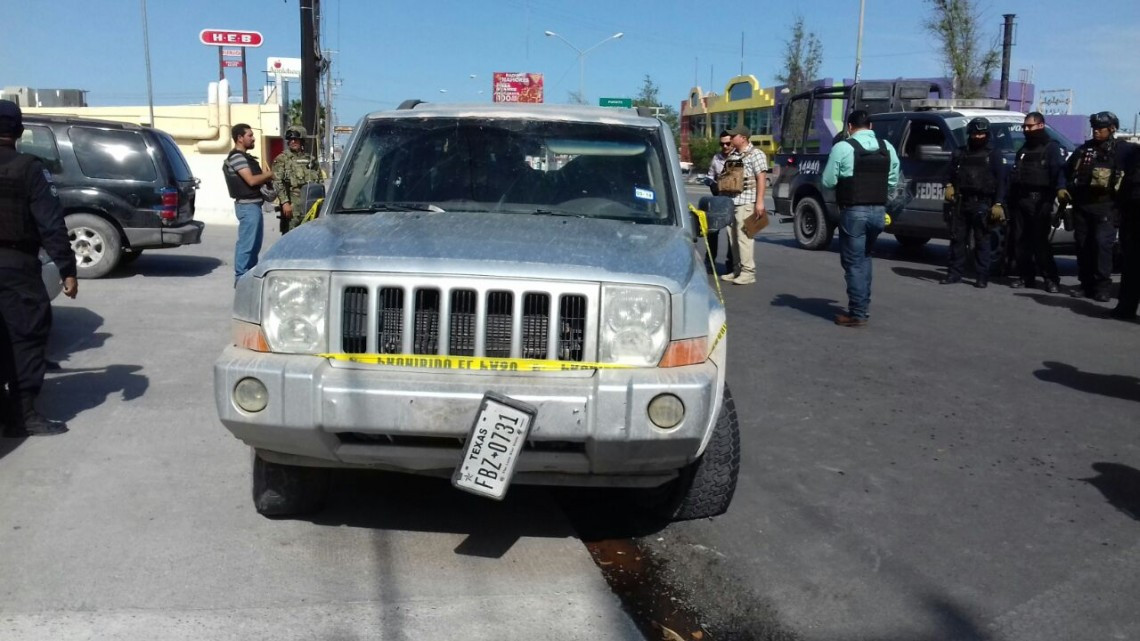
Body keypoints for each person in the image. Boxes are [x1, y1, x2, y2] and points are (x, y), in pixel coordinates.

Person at [0, 99, 78, 437]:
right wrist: (67, 268)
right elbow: (51, 223)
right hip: (15, 267)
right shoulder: (29, 169)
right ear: (18, 131)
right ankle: (22, 416)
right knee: (26, 337)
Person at [821, 110, 899, 327]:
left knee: (854, 263)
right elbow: (893, 180)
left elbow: (828, 181)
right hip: (878, 212)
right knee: (864, 258)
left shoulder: (843, 147)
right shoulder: (887, 147)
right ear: (871, 127)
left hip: (854, 211)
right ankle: (862, 305)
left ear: (849, 127)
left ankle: (858, 313)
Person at [1064, 111, 1129, 302]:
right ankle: (1086, 285)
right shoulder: (1084, 150)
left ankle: (1103, 288)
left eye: (1100, 128)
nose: (1096, 132)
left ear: (1112, 129)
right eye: (1094, 128)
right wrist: (1063, 189)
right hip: (1083, 205)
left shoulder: (1121, 150)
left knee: (1102, 246)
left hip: (1107, 206)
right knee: (1083, 246)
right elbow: (1066, 171)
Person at [942, 117, 1007, 288]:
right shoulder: (960, 153)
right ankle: (954, 273)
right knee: (957, 239)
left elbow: (1001, 180)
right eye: (975, 133)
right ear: (969, 134)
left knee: (982, 241)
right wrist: (948, 186)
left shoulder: (993, 154)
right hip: (961, 202)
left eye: (982, 134)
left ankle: (982, 276)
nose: (978, 137)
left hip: (982, 203)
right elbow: (948, 174)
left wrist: (998, 203)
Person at [1008, 111, 1066, 292]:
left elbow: (1059, 173)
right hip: (1021, 200)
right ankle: (1026, 276)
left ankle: (1051, 279)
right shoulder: (1023, 150)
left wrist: (1059, 192)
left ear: (1040, 126)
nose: (1026, 129)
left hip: (1041, 201)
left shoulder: (1051, 148)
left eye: (1029, 126)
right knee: (1020, 241)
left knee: (1040, 242)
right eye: (1024, 126)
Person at [223, 123, 274, 284]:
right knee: (247, 245)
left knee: (254, 246)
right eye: (249, 136)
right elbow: (251, 180)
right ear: (239, 138)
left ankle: (248, 279)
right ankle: (241, 280)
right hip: (247, 207)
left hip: (254, 206)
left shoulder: (245, 157)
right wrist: (270, 174)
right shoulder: (237, 157)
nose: (253, 139)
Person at [718, 125, 768, 286]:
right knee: (733, 238)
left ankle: (748, 272)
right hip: (732, 201)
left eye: (734, 136)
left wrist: (759, 202)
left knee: (744, 238)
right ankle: (737, 269)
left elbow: (761, 178)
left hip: (747, 201)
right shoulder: (733, 156)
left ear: (743, 138)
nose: (731, 139)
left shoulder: (756, 154)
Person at [271, 125, 322, 233]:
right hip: (293, 204)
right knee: (291, 235)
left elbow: (319, 181)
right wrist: (285, 203)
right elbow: (277, 182)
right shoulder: (282, 159)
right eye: (290, 139)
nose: (293, 141)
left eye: (296, 139)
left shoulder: (311, 160)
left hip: (310, 203)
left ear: (302, 140)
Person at [1112, 141, 1140, 320]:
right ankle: (1125, 308)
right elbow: (1126, 186)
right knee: (1131, 265)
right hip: (1133, 216)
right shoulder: (1134, 154)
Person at [702, 131, 734, 273]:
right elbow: (709, 176)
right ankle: (710, 261)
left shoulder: (738, 157)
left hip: (734, 200)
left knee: (731, 234)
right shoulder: (716, 158)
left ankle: (731, 263)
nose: (725, 146)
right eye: (722, 144)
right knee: (712, 231)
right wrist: (710, 183)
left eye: (728, 143)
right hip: (718, 199)